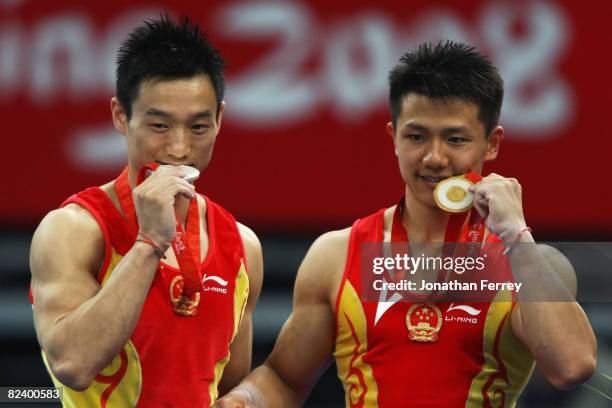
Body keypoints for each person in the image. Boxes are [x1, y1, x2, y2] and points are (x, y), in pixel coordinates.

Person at [216, 41, 596, 407]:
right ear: (393, 137)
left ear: (492, 144)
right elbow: (284, 378)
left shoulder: (529, 264)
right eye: (416, 136)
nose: (434, 157)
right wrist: (244, 398)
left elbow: (572, 366)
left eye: (455, 139)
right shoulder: (337, 255)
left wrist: (516, 237)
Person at [29, 14, 263, 407]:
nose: (178, 148)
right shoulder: (72, 230)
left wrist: (246, 398)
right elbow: (73, 363)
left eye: (198, 127)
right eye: (159, 126)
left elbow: (228, 386)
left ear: (220, 119)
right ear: (121, 116)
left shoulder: (242, 247)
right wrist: (149, 242)